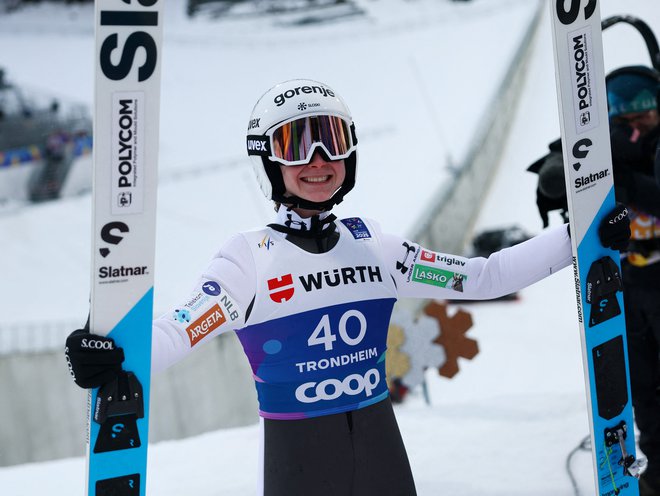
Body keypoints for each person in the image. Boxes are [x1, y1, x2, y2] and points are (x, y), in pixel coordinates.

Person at [65, 79, 630, 496]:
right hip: (301, 462)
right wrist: (116, 354)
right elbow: (186, 329)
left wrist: (579, 236)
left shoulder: (374, 246)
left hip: (381, 449)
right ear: (268, 161)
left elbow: (483, 277)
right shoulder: (249, 259)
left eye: (331, 142)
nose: (317, 160)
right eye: (295, 146)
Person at [530, 65, 660, 496]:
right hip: (630, 286)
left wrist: (625, 176)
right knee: (645, 395)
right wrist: (591, 169)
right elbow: (552, 183)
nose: (637, 131)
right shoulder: (605, 152)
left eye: (645, 118)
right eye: (625, 123)